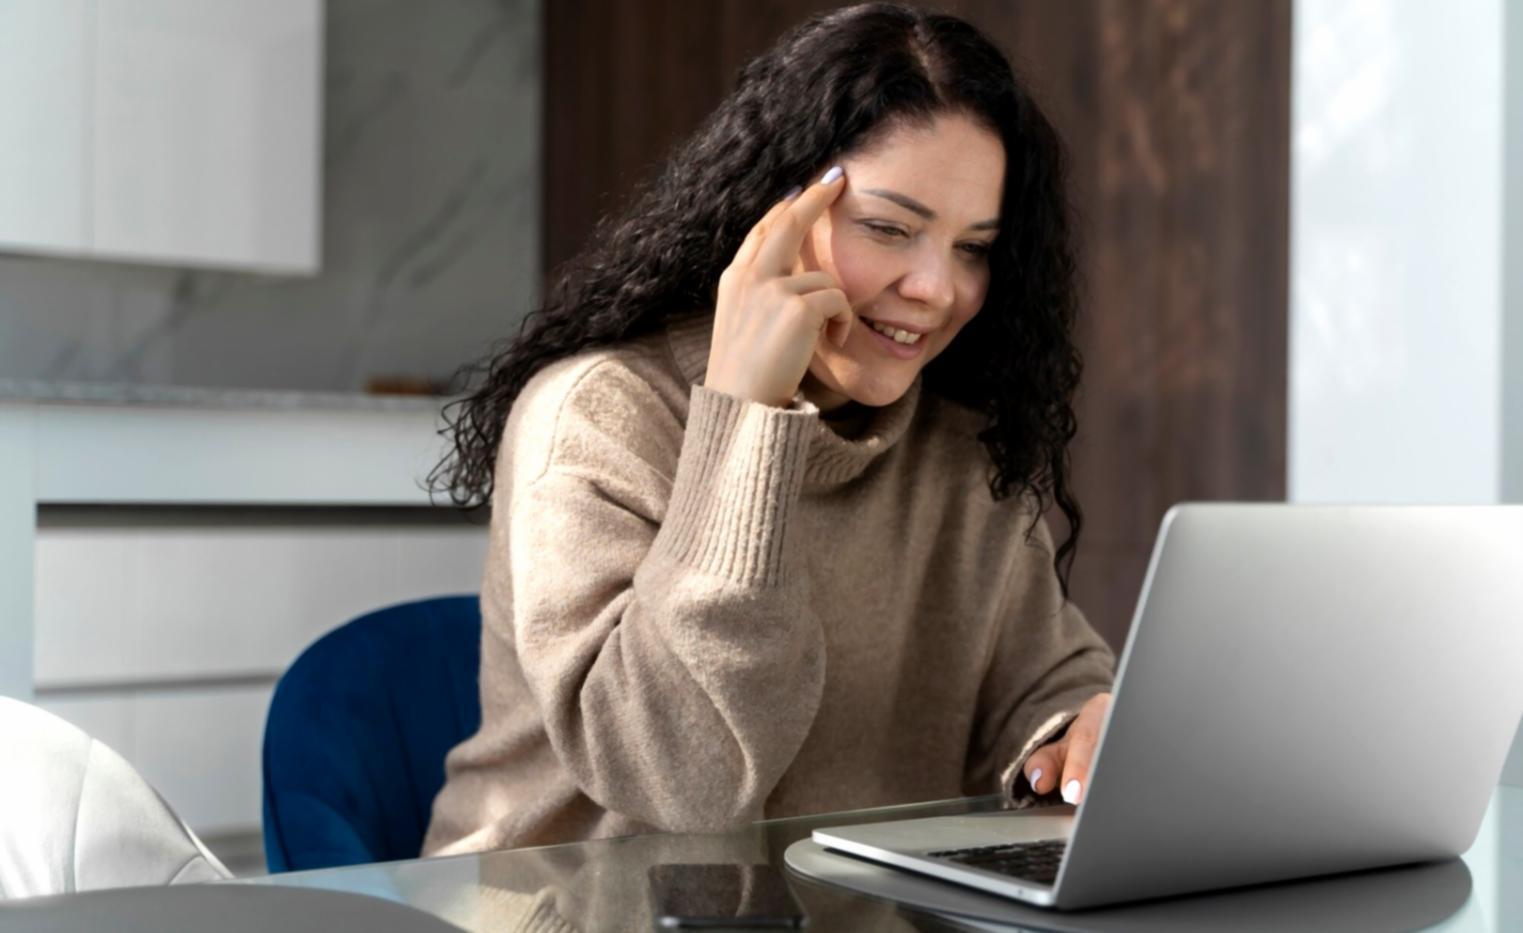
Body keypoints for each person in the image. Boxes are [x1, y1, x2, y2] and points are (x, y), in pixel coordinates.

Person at [423, 1, 1116, 857]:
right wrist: (746, 416)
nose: (936, 288)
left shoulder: (955, 452)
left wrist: (1078, 727)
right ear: (767, 219)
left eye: (974, 247)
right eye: (888, 229)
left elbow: (1045, 678)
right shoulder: (597, 412)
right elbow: (681, 776)